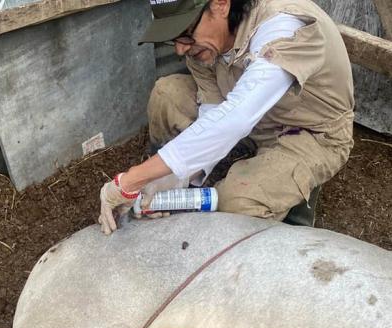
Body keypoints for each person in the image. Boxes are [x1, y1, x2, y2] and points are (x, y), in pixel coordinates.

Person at [98, 0, 355, 235]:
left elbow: (236, 117)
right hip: (251, 120)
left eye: (186, 32)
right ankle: (174, 181)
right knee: (167, 95)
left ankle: (295, 209)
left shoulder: (284, 27)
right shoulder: (205, 44)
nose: (179, 49)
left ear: (221, 4)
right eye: (172, 38)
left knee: (234, 202)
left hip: (307, 132)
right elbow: (213, 107)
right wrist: (175, 176)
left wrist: (130, 181)